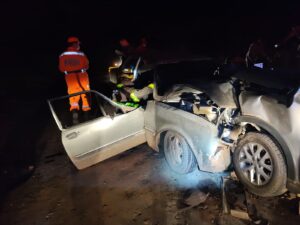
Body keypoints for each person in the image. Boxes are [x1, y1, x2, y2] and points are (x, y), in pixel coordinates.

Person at [59, 36, 91, 122]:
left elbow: (61, 68)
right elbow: (87, 65)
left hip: (70, 78)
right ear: (74, 44)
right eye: (77, 43)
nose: (78, 45)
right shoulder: (81, 54)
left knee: (73, 95)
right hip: (82, 76)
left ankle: (74, 113)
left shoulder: (62, 55)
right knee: (85, 94)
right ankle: (87, 115)